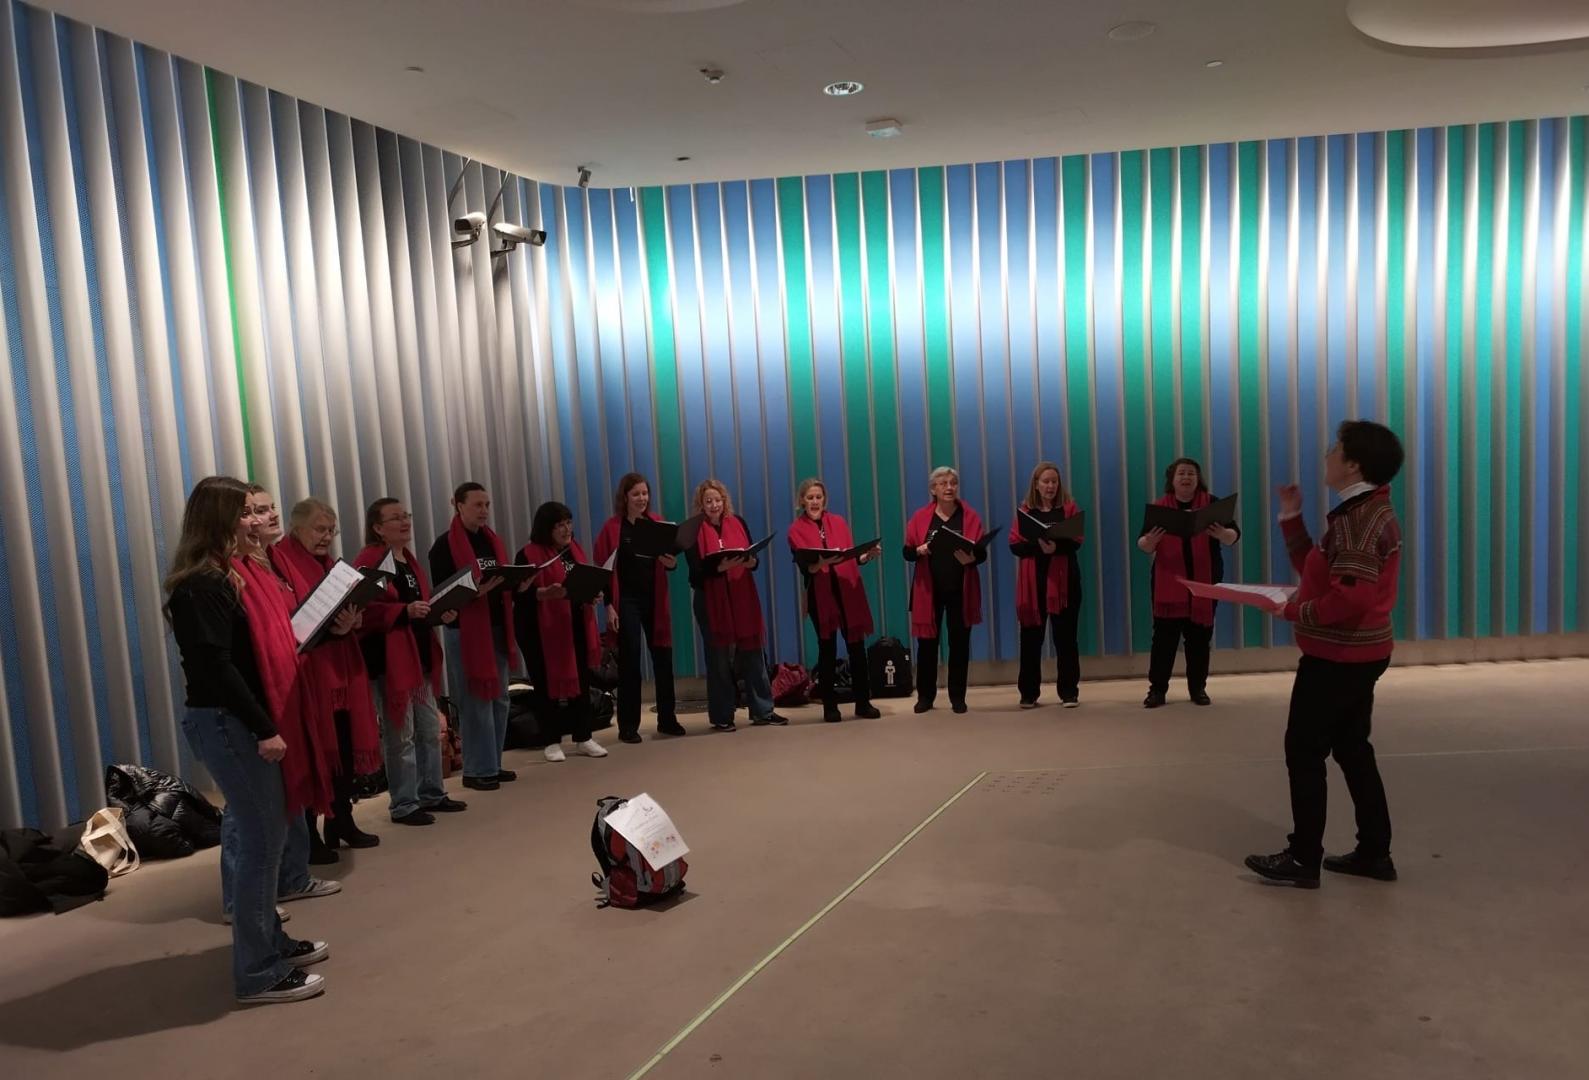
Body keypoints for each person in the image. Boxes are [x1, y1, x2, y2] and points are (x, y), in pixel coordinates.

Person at [163, 476, 329, 1004]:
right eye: (247, 513)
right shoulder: (202, 584)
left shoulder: (235, 573)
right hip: (228, 724)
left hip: (240, 721)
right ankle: (257, 973)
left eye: (260, 512)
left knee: (269, 838)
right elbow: (216, 670)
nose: (259, 521)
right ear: (220, 520)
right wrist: (264, 727)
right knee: (260, 844)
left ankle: (270, 943)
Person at [1245, 421, 1405, 889]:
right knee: (1353, 749)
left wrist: (1295, 611)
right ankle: (1374, 853)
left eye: (1336, 449)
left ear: (1353, 464)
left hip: (1338, 657)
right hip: (1359, 653)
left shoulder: (1359, 521)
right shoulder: (1361, 511)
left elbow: (1350, 597)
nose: (1328, 455)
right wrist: (1291, 518)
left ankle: (1303, 858)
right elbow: (1318, 571)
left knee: (1304, 751)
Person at [238, 486, 344, 896]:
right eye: (255, 510)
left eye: (269, 508)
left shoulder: (272, 561)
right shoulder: (242, 567)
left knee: (291, 783)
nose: (268, 516)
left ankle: (294, 875)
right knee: (255, 804)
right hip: (267, 690)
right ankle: (248, 895)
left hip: (295, 678)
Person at [272, 499, 384, 856]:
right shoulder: (280, 562)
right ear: (296, 528)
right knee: (314, 752)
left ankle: (341, 821)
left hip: (341, 669)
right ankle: (309, 834)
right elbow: (291, 621)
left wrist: (353, 619)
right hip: (309, 675)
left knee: (344, 751)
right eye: (319, 529)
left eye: (331, 531)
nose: (326, 537)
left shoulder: (329, 565)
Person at [356, 498, 468, 825]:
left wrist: (438, 613)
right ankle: (404, 803)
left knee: (429, 729)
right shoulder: (370, 560)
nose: (405, 522)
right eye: (396, 518)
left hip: (418, 656)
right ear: (378, 527)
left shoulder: (407, 558)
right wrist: (403, 611)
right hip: (391, 661)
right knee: (400, 735)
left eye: (406, 515)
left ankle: (431, 792)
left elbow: (418, 606)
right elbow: (365, 610)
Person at [429, 482, 521, 791]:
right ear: (458, 505)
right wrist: (473, 594)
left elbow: (499, 580)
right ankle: (476, 769)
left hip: (496, 626)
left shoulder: (491, 540)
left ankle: (493, 762)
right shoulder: (443, 546)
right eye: (477, 505)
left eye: (487, 505)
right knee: (475, 701)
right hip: (466, 632)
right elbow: (442, 597)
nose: (484, 511)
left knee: (500, 698)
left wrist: (517, 583)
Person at [1137, 458, 1240, 708]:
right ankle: (1157, 690)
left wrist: (1222, 534)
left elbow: (1233, 536)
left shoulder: (1213, 504)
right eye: (1181, 473)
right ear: (1172, 480)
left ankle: (1198, 689)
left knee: (1200, 638)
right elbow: (1143, 544)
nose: (1186, 477)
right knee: (1164, 640)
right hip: (1168, 583)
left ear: (1198, 478)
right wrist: (1150, 542)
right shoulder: (1160, 508)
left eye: (1191, 473)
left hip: (1205, 583)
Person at [684, 480, 784, 731]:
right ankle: (722, 716)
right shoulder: (693, 531)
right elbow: (694, 574)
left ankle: (763, 710)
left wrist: (751, 562)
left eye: (718, 500)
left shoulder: (738, 522)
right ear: (701, 504)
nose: (714, 505)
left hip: (742, 597)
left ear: (724, 501)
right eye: (708, 501)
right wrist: (720, 568)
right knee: (718, 660)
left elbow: (752, 556)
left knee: (753, 654)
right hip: (710, 601)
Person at [514, 501, 611, 760]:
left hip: (575, 623)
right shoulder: (528, 555)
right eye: (559, 525)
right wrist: (542, 594)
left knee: (582, 679)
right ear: (546, 528)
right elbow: (517, 595)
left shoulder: (573, 550)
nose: (567, 529)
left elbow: (579, 584)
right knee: (544, 684)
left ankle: (584, 736)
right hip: (540, 630)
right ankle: (551, 740)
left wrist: (592, 594)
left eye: (568, 522)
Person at [594, 473, 685, 743]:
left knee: (663, 660)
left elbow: (670, 560)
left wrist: (672, 564)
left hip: (654, 598)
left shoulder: (657, 523)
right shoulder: (613, 528)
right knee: (630, 662)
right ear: (625, 497)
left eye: (645, 493)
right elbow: (603, 570)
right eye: (636, 494)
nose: (642, 498)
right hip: (626, 601)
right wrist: (609, 606)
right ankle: (628, 726)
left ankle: (667, 719)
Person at [786, 478, 881, 724]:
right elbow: (806, 567)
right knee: (827, 650)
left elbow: (850, 557)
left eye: (818, 497)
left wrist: (866, 556)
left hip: (847, 591)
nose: (814, 502)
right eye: (810, 497)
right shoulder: (796, 529)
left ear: (824, 499)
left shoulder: (838, 522)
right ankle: (830, 707)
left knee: (857, 649)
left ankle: (863, 703)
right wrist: (821, 564)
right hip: (820, 595)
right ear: (802, 501)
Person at [902, 466, 986, 715]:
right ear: (933, 489)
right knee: (927, 645)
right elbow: (907, 552)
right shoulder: (920, 518)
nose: (949, 487)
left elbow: (981, 553)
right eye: (943, 483)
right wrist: (919, 550)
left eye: (953, 483)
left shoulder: (969, 516)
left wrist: (972, 558)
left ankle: (958, 697)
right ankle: (925, 697)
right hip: (929, 591)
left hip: (961, 589)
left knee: (959, 644)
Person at [1009, 462, 1084, 709]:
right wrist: (1039, 547)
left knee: (1066, 640)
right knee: (1031, 641)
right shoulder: (1025, 512)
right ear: (1036, 485)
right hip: (1034, 585)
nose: (1051, 486)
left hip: (1065, 584)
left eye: (1054, 481)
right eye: (1046, 481)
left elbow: (1077, 541)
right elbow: (1015, 545)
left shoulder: (1069, 508)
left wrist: (1056, 547)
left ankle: (1069, 692)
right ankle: (1028, 693)